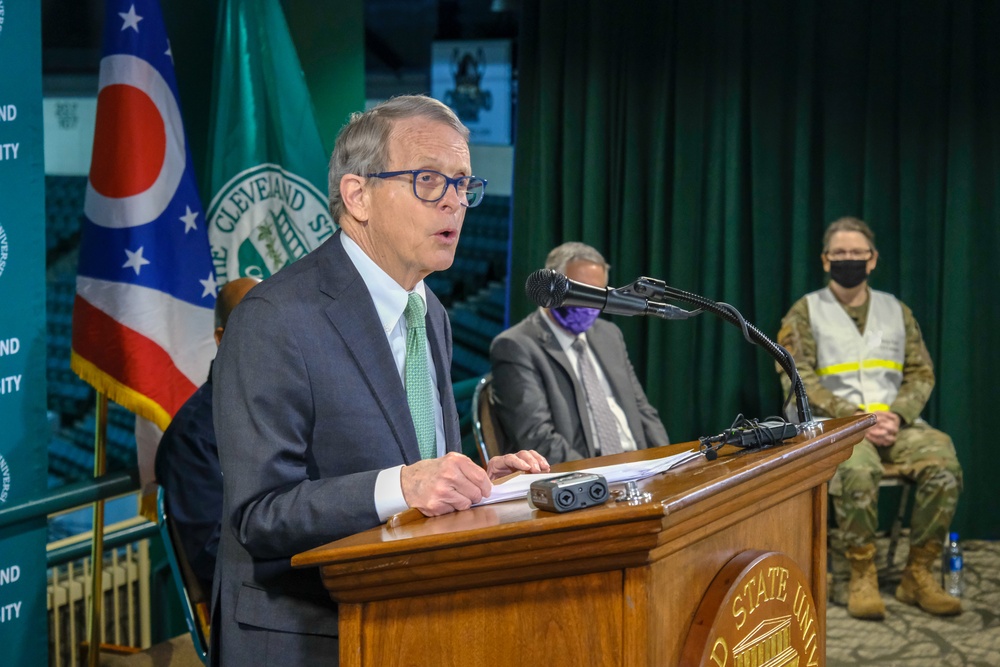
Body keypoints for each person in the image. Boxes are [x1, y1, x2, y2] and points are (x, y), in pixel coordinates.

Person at [210, 95, 550, 666]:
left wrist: (472, 481)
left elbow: (416, 464)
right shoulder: (275, 317)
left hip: (412, 622)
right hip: (310, 636)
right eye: (428, 180)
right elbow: (260, 514)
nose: (455, 203)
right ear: (357, 196)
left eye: (463, 183)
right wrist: (407, 485)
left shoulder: (431, 311)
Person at [777, 216, 962, 620]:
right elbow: (797, 377)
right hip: (837, 426)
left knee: (944, 462)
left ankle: (918, 574)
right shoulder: (805, 311)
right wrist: (857, 417)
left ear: (873, 259)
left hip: (895, 422)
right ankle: (861, 573)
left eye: (857, 253)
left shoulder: (896, 310)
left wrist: (896, 414)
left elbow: (921, 372)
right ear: (826, 260)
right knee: (857, 469)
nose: (849, 260)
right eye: (839, 253)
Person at [489, 242, 670, 464]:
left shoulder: (609, 335)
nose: (590, 305)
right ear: (551, 292)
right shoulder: (516, 346)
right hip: (584, 475)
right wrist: (602, 477)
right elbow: (538, 439)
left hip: (638, 466)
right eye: (583, 292)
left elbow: (642, 410)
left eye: (598, 294)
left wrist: (666, 461)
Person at [154, 277, 259, 594]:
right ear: (222, 338)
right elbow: (211, 553)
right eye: (258, 324)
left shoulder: (292, 406)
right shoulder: (193, 436)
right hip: (257, 606)